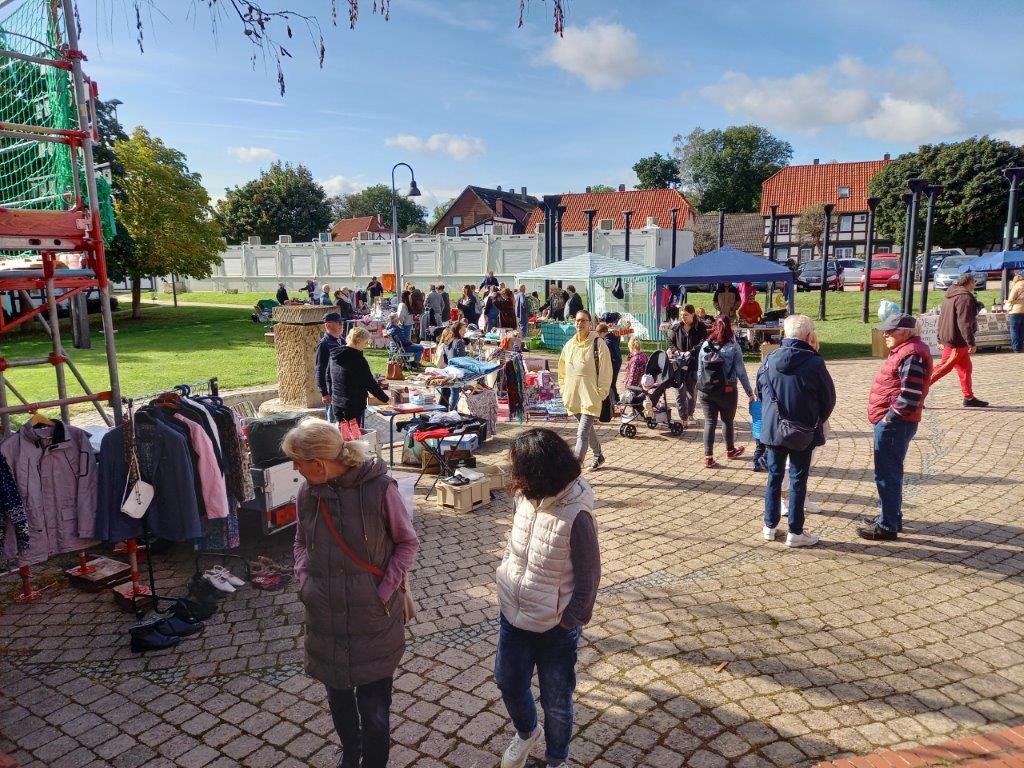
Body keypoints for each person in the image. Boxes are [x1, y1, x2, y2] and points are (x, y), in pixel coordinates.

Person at [286, 419, 418, 768]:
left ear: (321, 462)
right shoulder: (307, 492)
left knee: (375, 709)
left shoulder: (379, 489)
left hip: (372, 619)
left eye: (298, 461)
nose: (294, 468)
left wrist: (384, 589)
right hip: (325, 618)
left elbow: (407, 542)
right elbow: (300, 541)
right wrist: (305, 579)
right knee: (338, 700)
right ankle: (350, 754)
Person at [495, 428, 600, 768]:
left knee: (556, 700)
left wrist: (569, 619)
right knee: (507, 681)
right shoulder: (525, 496)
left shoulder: (577, 513)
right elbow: (518, 547)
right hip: (514, 613)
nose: (514, 476)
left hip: (556, 626)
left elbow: (589, 578)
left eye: (519, 469)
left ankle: (557, 759)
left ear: (540, 471)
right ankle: (527, 733)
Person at [756, 315, 836, 548]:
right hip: (803, 429)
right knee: (798, 479)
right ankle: (795, 532)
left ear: (784, 335)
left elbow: (760, 391)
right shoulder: (814, 362)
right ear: (810, 337)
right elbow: (828, 398)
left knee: (774, 477)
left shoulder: (769, 359)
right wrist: (816, 419)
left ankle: (769, 526)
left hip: (774, 430)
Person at [858, 313, 933, 541]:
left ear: (905, 332)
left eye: (890, 331)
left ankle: (888, 525)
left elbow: (909, 396)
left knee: (887, 474)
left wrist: (888, 418)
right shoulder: (906, 350)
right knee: (890, 472)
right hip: (893, 422)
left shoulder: (911, 354)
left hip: (895, 424)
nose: (885, 334)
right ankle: (890, 515)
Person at [696, 315, 753, 468]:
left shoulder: (705, 345)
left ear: (714, 326)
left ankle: (708, 457)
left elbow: (700, 371)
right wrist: (750, 392)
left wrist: (700, 388)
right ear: (730, 328)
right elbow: (741, 372)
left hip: (706, 390)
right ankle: (730, 450)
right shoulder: (733, 347)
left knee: (710, 422)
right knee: (727, 421)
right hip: (727, 390)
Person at [558, 310, 612, 470]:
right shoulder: (569, 345)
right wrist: (563, 390)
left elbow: (606, 371)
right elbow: (561, 371)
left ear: (591, 324)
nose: (579, 323)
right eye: (577, 320)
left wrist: (600, 393)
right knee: (587, 429)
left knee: (582, 433)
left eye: (583, 321)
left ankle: (574, 472)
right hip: (573, 397)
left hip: (591, 397)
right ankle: (598, 455)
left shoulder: (599, 344)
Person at [930, 274, 988, 407]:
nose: (975, 284)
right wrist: (971, 342)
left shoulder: (951, 294)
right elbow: (964, 323)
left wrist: (939, 337)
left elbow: (942, 318)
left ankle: (968, 398)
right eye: (974, 282)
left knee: (966, 369)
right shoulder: (964, 297)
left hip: (954, 339)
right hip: (956, 341)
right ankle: (916, 394)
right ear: (969, 283)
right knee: (942, 368)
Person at [329, 327, 389, 427]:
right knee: (353, 437)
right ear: (359, 341)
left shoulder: (334, 355)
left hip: (337, 402)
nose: (365, 346)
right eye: (365, 343)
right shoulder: (358, 360)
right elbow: (370, 383)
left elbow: (328, 376)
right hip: (353, 404)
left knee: (342, 433)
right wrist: (386, 399)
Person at [667, 304, 707, 423]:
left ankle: (690, 414)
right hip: (679, 364)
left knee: (692, 392)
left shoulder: (700, 327)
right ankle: (683, 417)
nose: (683, 317)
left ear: (693, 314)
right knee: (679, 392)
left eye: (685, 315)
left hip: (694, 363)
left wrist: (691, 352)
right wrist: (676, 351)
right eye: (681, 315)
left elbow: (703, 342)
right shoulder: (677, 327)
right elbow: (670, 341)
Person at [315, 312, 346, 422]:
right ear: (328, 325)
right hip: (331, 388)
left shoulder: (341, 340)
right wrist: (324, 392)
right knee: (333, 421)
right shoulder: (324, 344)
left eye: (342, 322)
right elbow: (320, 369)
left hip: (341, 387)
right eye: (338, 323)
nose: (341, 325)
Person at [434, 322, 468, 411]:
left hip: (448, 370)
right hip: (457, 371)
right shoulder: (459, 342)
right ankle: (453, 412)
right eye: (463, 330)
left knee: (448, 392)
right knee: (455, 393)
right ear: (458, 330)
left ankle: (447, 411)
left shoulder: (448, 342)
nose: (465, 332)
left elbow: (445, 358)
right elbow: (462, 359)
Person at [596, 323, 622, 405]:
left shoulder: (607, 342)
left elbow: (607, 356)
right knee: (612, 382)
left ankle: (615, 401)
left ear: (603, 332)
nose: (599, 337)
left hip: (613, 363)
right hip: (617, 361)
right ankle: (615, 399)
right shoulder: (613, 337)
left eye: (599, 334)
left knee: (611, 383)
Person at [1008, 273, 1024, 352]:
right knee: (1021, 330)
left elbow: (1011, 299)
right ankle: (1021, 347)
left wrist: (1007, 301)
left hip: (1015, 311)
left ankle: (1016, 348)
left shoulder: (1016, 286)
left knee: (1014, 330)